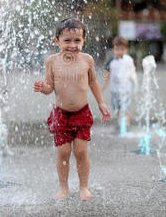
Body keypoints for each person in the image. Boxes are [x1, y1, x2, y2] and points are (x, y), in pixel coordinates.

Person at [33, 18, 111, 201]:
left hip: (81, 113)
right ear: (57, 41)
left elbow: (92, 82)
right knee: (63, 152)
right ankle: (63, 188)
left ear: (83, 41)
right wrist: (42, 87)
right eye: (67, 41)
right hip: (60, 114)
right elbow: (49, 87)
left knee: (81, 151)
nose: (72, 45)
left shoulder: (87, 60)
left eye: (77, 41)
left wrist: (101, 103)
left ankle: (84, 186)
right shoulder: (52, 61)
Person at [102, 36, 138, 127]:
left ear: (126, 50)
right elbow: (108, 73)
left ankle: (128, 124)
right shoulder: (111, 61)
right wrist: (104, 85)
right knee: (116, 108)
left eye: (122, 49)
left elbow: (133, 72)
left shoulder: (128, 60)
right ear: (114, 49)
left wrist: (134, 82)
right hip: (114, 89)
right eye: (117, 49)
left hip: (126, 89)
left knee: (126, 108)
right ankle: (120, 123)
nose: (119, 51)